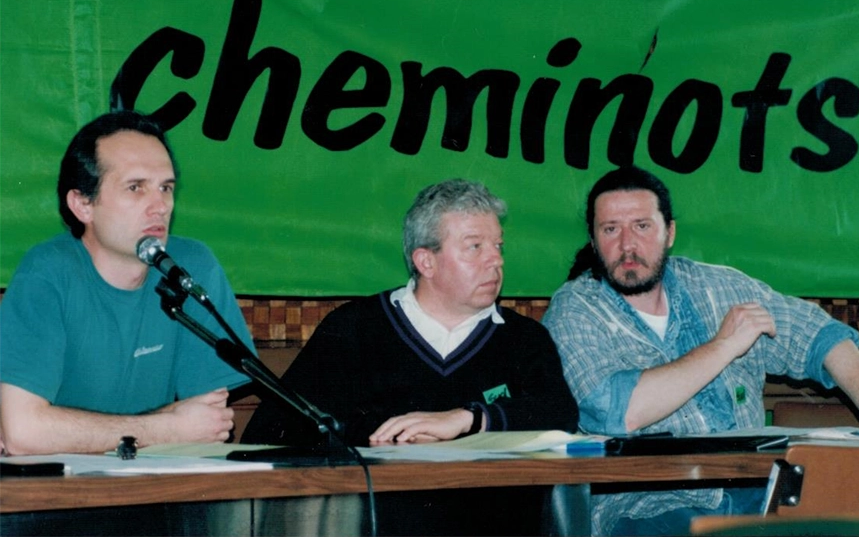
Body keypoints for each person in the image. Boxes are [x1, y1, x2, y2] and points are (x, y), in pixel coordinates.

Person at [541, 166, 859, 536]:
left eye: (642, 226)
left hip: (761, 495)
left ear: (670, 232)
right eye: (611, 229)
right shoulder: (575, 308)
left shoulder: (718, 286)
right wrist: (724, 346)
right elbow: (619, 410)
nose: (627, 245)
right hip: (649, 504)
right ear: (594, 241)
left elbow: (820, 335)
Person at [243, 178, 579, 536]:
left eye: (498, 245)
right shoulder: (355, 328)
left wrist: (467, 420)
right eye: (475, 247)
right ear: (425, 261)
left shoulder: (524, 337)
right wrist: (393, 438)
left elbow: (561, 414)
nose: (495, 260)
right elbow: (275, 430)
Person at [0, 110, 255, 456]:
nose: (159, 206)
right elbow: (24, 434)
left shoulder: (191, 267)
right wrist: (166, 426)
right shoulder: (46, 273)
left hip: (155, 486)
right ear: (82, 205)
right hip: (57, 494)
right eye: (136, 188)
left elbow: (209, 423)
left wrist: (157, 429)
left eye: (165, 188)